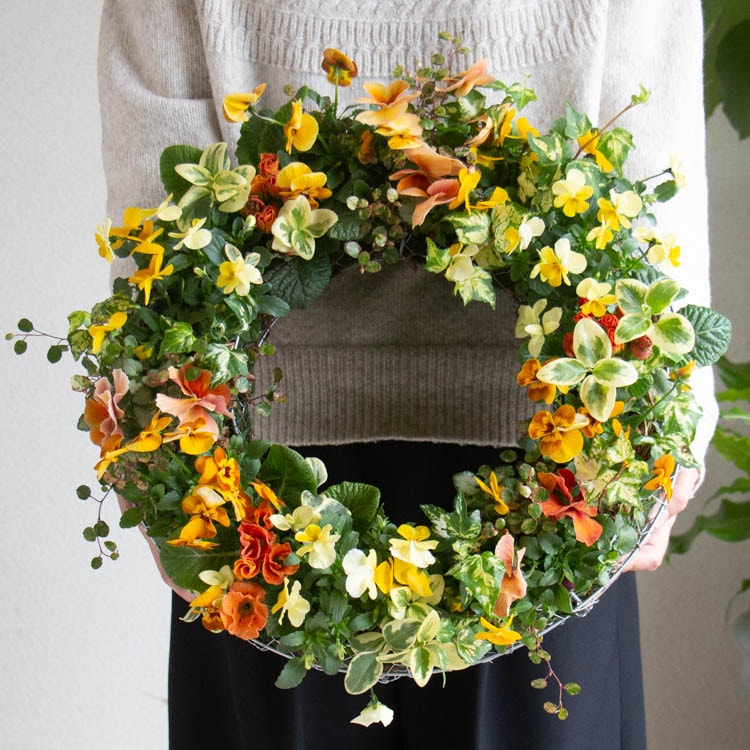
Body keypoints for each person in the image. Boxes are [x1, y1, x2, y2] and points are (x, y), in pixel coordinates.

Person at [98, 1, 715, 747]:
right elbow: (157, 112)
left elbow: (651, 89)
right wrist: (153, 427)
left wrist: (670, 418)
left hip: (562, 445)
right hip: (245, 452)